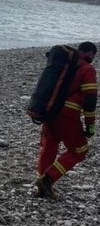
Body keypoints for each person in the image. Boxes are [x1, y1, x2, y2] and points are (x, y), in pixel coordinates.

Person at [36, 41, 97, 198]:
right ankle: (48, 179)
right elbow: (90, 99)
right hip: (68, 115)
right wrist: (90, 124)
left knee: (49, 146)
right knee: (79, 151)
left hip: (49, 110)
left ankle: (41, 184)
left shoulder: (63, 65)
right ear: (90, 53)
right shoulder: (87, 69)